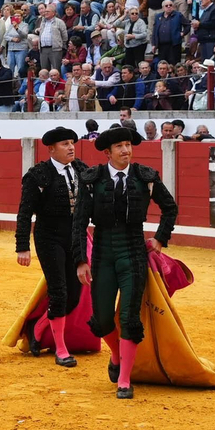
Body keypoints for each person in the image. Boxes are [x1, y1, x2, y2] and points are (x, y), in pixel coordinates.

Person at [73, 126, 178, 400]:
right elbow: (79, 221)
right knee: (103, 317)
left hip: (133, 251)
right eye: (119, 146)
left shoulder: (146, 177)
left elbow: (170, 207)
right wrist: (81, 260)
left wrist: (160, 238)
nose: (126, 150)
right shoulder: (92, 179)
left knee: (130, 317)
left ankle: (124, 379)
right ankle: (117, 355)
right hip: (103, 253)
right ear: (108, 152)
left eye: (128, 145)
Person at [14, 126, 86, 368]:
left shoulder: (81, 170)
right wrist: (22, 246)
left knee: (74, 295)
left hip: (76, 238)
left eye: (72, 143)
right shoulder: (38, 175)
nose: (71, 147)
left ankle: (39, 326)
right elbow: (25, 213)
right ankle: (61, 349)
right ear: (51, 149)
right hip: (49, 238)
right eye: (65, 144)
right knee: (59, 291)